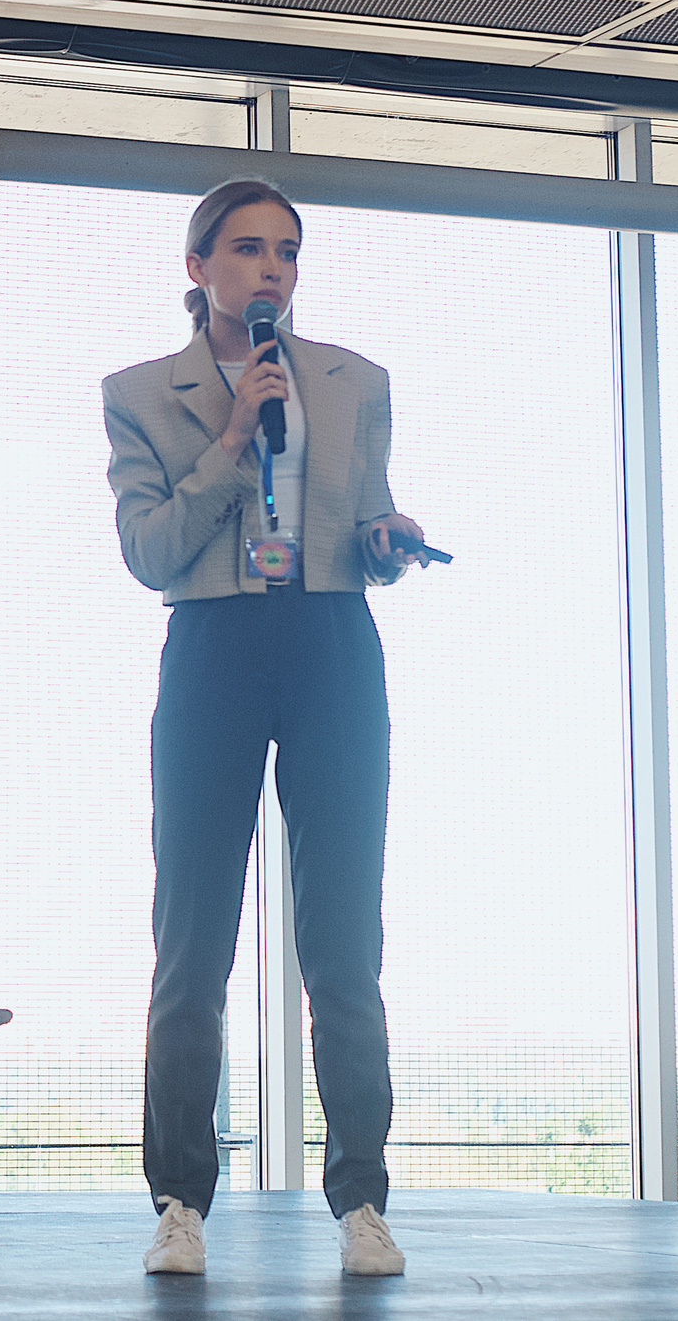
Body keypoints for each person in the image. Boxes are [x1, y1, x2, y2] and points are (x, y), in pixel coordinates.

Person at [101, 177, 425, 1280]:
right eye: (245, 248)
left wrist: (386, 536)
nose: (271, 267)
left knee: (343, 945)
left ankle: (362, 1201)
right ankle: (179, 1199)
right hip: (213, 646)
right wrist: (234, 433)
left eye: (286, 249)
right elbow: (149, 550)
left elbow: (358, 516)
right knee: (191, 941)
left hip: (333, 641)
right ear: (197, 268)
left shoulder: (354, 381)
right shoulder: (144, 392)